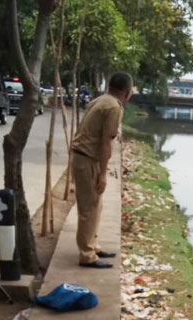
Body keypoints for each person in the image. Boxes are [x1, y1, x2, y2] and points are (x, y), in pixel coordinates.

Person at [71, 72, 132, 268]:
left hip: (85, 159)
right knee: (88, 208)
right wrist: (104, 174)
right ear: (127, 92)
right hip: (87, 160)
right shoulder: (114, 107)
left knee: (96, 204)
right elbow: (106, 141)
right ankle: (87, 255)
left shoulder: (101, 100)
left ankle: (93, 246)